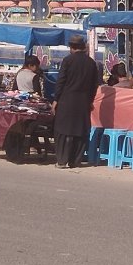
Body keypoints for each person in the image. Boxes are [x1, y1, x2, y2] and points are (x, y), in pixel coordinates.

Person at [52, 35, 99, 169]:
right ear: (83, 47)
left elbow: (61, 81)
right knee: (80, 131)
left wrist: (56, 99)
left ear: (71, 48)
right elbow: (94, 85)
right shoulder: (91, 63)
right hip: (83, 101)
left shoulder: (68, 61)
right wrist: (90, 100)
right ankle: (75, 161)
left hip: (66, 100)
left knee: (62, 131)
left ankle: (62, 161)